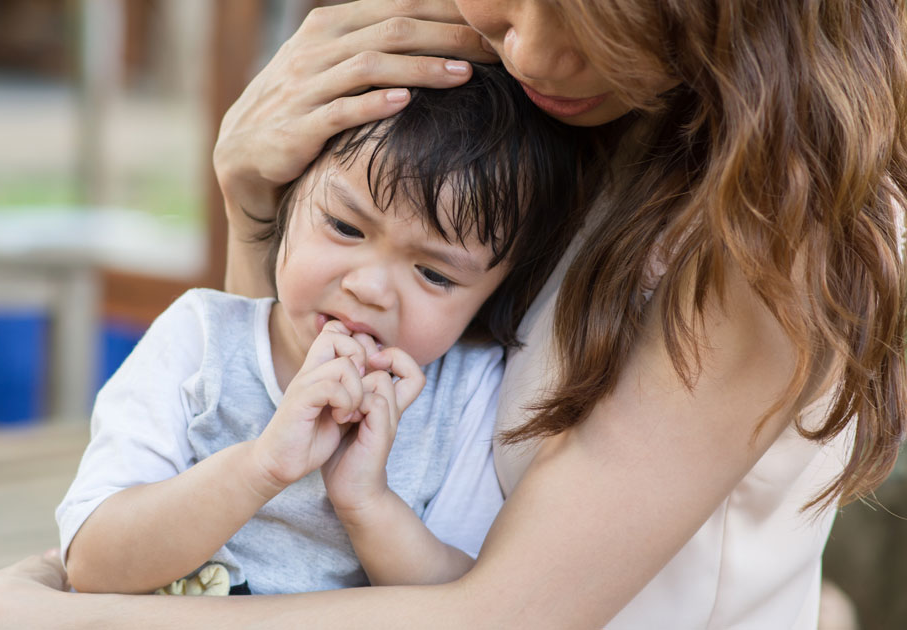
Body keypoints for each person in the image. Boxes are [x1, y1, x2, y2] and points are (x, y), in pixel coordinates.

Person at [0, 1, 906, 627]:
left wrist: (41, 610)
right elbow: (272, 447)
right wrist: (259, 206)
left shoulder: (780, 225)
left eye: (604, 16)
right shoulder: (499, 79)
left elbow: (507, 612)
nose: (531, 48)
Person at [58, 62, 599, 596]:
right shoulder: (201, 340)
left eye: (433, 273)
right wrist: (262, 467)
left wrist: (367, 504)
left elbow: (471, 600)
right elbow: (91, 562)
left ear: (493, 296)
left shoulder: (467, 396)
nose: (370, 288)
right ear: (288, 198)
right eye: (344, 226)